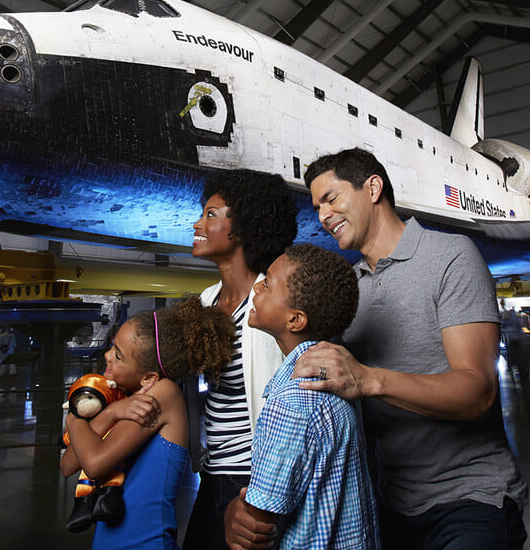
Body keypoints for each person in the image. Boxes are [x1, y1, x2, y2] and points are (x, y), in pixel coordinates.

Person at [230, 148, 526, 549]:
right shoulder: (347, 287)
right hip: (386, 504)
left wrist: (369, 380)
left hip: (468, 500)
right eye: (317, 206)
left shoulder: (450, 257)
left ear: (373, 188)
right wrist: (249, 508)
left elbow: (478, 392)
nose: (322, 216)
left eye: (331, 198)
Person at [225, 244, 379, 549]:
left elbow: (257, 524)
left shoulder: (291, 404)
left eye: (267, 283)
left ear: (295, 320)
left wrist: (233, 512)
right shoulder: (338, 384)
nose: (256, 286)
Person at [60, 297, 236, 550]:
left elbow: (95, 464)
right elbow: (68, 465)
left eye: (119, 356)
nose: (108, 356)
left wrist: (75, 415)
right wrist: (109, 414)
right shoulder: (124, 401)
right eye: (112, 346)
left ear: (149, 377)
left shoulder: (162, 394)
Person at [184, 169, 299, 550]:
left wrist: (263, 489)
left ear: (244, 227)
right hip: (212, 474)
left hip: (252, 480)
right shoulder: (207, 299)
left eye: (212, 214)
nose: (198, 223)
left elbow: (292, 407)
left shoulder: (270, 303)